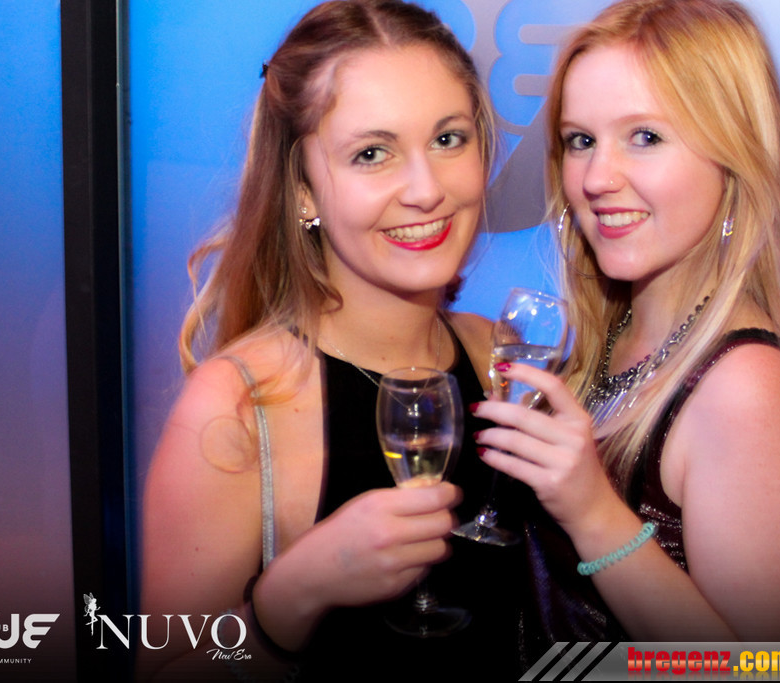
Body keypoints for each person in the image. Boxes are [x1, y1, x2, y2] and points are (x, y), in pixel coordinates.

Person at [139, 1, 523, 680]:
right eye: (372, 153)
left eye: (448, 139)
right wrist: (294, 594)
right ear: (303, 192)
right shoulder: (239, 406)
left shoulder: (502, 358)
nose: (426, 189)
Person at [471, 0, 780, 651]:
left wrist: (594, 514)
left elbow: (767, 666)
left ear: (735, 156)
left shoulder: (746, 388)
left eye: (644, 137)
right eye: (581, 140)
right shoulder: (607, 341)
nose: (596, 178)